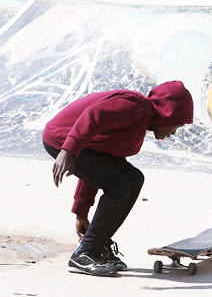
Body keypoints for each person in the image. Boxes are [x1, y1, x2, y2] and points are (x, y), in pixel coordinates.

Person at [43, 81, 193, 277]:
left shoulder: (137, 124)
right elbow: (93, 115)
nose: (174, 132)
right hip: (62, 138)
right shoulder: (136, 107)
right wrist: (69, 150)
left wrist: (82, 212)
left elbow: (100, 165)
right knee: (119, 186)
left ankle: (96, 246)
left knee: (133, 178)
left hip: (76, 143)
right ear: (169, 113)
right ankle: (86, 253)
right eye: (177, 124)